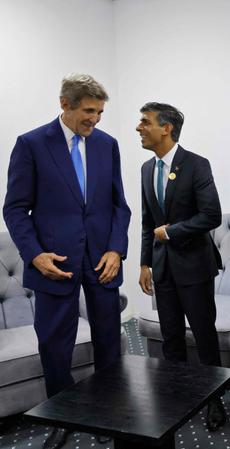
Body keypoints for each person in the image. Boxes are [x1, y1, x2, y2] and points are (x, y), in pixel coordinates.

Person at [3, 74, 131, 449]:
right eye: (89, 111)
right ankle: (63, 416)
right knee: (55, 345)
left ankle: (110, 410)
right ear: (65, 104)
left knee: (109, 339)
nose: (95, 119)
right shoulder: (31, 144)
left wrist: (116, 249)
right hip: (54, 263)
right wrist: (35, 254)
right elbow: (14, 209)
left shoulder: (108, 145)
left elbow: (118, 206)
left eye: (100, 112)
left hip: (102, 261)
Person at [137, 102, 226, 431]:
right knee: (170, 338)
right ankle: (177, 398)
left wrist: (172, 231)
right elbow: (148, 221)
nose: (139, 128)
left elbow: (211, 216)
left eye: (145, 122)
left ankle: (214, 400)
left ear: (166, 128)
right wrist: (145, 262)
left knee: (204, 336)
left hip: (194, 266)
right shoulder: (147, 169)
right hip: (162, 269)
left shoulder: (196, 165)